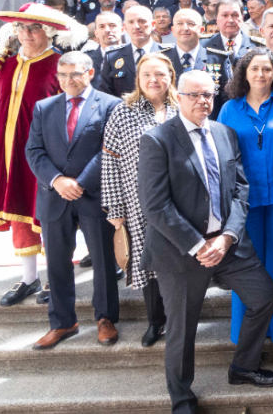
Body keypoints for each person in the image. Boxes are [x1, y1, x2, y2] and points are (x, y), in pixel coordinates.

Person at [138, 70, 273, 412]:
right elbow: (155, 206)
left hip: (228, 245)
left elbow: (240, 189)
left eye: (208, 94)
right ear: (179, 98)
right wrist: (198, 244)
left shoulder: (224, 133)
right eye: (195, 95)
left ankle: (243, 367)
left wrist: (228, 237)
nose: (203, 101)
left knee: (265, 297)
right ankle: (182, 396)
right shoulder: (158, 139)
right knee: (183, 327)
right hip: (181, 250)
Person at [0, 4, 87, 307]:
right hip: (11, 153)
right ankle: (28, 277)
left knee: (51, 217)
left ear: (47, 31)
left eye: (33, 28)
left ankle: (55, 276)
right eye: (21, 28)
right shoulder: (6, 65)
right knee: (20, 211)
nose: (26, 34)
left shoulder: (59, 65)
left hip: (49, 157)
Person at [25, 51, 122, 349]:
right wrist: (58, 180)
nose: (69, 80)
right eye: (63, 75)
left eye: (75, 74)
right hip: (55, 196)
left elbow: (110, 149)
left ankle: (105, 319)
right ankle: (63, 322)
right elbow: (34, 151)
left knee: (103, 261)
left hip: (93, 194)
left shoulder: (111, 105)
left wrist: (79, 182)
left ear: (90, 73)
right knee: (56, 262)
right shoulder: (44, 107)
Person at [218, 48, 273, 346]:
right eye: (254, 69)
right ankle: (247, 331)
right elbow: (221, 155)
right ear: (244, 73)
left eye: (267, 69)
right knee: (248, 266)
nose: (261, 74)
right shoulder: (230, 109)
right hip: (243, 200)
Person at [101, 53, 179, 347]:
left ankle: (178, 319)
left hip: (179, 202)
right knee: (148, 261)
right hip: (138, 203)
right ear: (138, 79)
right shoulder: (123, 112)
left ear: (170, 75)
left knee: (177, 261)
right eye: (147, 75)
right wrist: (115, 207)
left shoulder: (183, 107)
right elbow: (110, 162)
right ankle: (155, 321)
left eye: (160, 74)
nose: (153, 80)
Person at [166, 9, 234, 119]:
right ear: (173, 30)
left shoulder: (218, 59)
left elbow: (228, 99)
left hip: (208, 126)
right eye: (180, 23)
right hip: (170, 129)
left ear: (201, 30)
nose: (185, 28)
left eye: (191, 23)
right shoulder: (162, 59)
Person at [97, 5, 173, 97]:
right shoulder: (113, 56)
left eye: (142, 21)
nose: (136, 26)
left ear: (153, 25)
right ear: (125, 27)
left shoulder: (168, 53)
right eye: (131, 22)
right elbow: (106, 94)